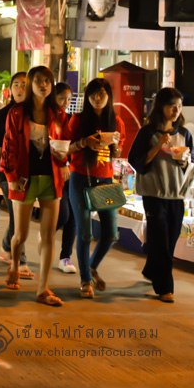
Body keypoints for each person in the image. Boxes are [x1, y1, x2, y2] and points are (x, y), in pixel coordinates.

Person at [2, 66, 69, 306]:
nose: (44, 85)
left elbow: (63, 144)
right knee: (20, 235)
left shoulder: (58, 113)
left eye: (48, 81)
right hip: (23, 179)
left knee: (48, 235)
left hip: (51, 179)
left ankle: (43, 288)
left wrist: (64, 161)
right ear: (30, 84)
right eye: (39, 81)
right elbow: (9, 145)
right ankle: (14, 264)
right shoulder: (17, 113)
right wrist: (11, 176)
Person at [128, 87, 194, 303]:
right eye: (171, 105)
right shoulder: (147, 133)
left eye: (179, 106)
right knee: (160, 239)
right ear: (161, 107)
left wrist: (185, 161)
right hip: (154, 194)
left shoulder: (185, 134)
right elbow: (135, 161)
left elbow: (191, 163)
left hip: (176, 195)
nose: (176, 110)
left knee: (171, 240)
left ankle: (151, 269)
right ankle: (165, 287)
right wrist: (157, 146)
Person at [65, 78, 124, 298]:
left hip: (106, 182)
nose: (97, 99)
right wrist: (84, 143)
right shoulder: (78, 120)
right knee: (85, 235)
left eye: (101, 94)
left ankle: (90, 266)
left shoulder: (116, 122)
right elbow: (66, 149)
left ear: (108, 96)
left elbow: (117, 155)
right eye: (92, 95)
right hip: (80, 179)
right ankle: (85, 281)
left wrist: (116, 146)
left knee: (110, 234)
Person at [0, 71, 33, 280]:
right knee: (17, 216)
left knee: (21, 217)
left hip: (31, 172)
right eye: (16, 84)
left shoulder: (36, 113)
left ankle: (8, 243)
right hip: (8, 173)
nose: (20, 88)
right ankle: (20, 261)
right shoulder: (3, 113)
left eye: (24, 84)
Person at [53, 82, 78, 275]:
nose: (66, 102)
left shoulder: (70, 119)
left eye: (69, 99)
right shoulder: (47, 118)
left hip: (71, 171)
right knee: (63, 214)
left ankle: (65, 256)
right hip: (53, 171)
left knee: (73, 216)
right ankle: (47, 234)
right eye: (62, 98)